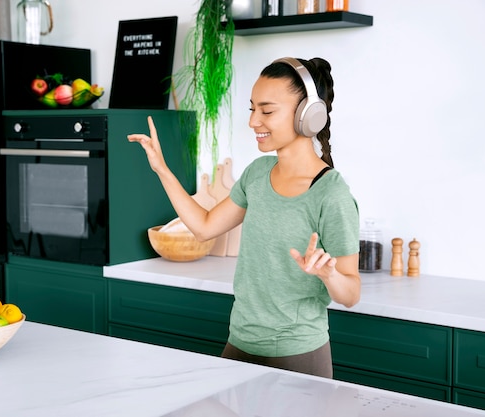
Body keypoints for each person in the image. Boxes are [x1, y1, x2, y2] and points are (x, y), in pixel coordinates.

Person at [127, 57, 360, 378]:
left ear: (308, 115)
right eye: (252, 109)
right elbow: (205, 227)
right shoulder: (257, 173)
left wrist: (328, 275)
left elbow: (351, 293)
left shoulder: (330, 193)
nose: (253, 121)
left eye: (267, 111)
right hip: (239, 344)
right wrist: (161, 169)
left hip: (297, 355)